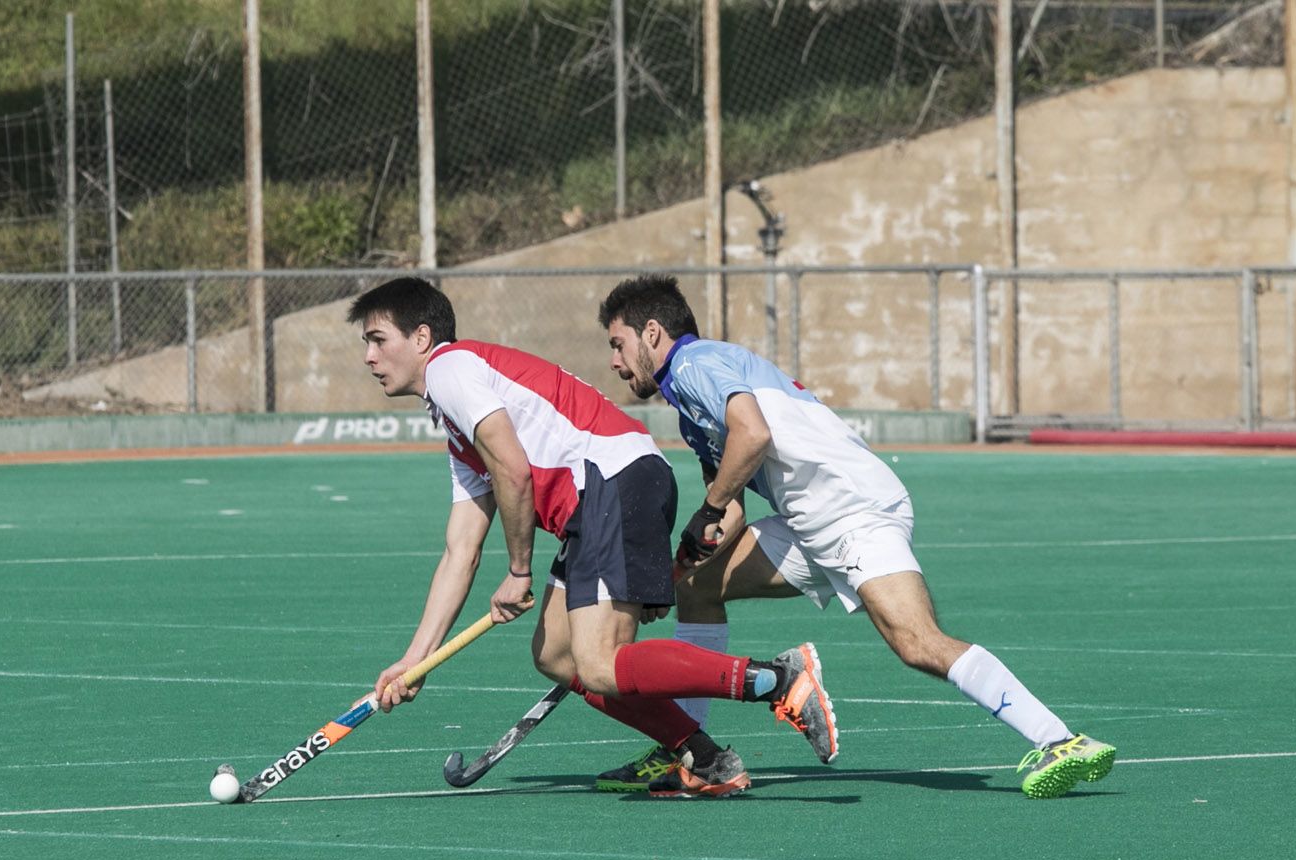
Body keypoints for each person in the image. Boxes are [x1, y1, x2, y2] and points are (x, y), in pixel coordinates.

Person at [594, 274, 1116, 799]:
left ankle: (1060, 739)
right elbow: (727, 515)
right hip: (807, 522)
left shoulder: (692, 364)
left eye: (619, 344)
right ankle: (688, 749)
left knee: (916, 642)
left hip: (851, 510)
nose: (615, 362)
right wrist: (672, 572)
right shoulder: (691, 409)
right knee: (697, 588)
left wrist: (706, 509)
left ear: (653, 333)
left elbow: (753, 436)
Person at [346, 276, 837, 798]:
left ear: (421, 338)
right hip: (600, 502)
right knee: (557, 655)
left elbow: (512, 472)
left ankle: (777, 679)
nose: (370, 357)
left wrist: (518, 571)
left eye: (378, 340)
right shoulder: (454, 420)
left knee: (601, 664)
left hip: (613, 484)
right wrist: (416, 660)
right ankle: (706, 758)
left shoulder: (449, 368)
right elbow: (459, 550)